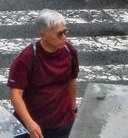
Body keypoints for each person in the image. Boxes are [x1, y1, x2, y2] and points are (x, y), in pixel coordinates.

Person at [8, 10, 79, 138]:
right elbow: (16, 93)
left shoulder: (70, 51)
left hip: (62, 123)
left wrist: (73, 108)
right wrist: (29, 123)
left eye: (65, 32)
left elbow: (72, 80)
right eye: (59, 34)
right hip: (34, 124)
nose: (64, 37)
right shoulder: (27, 57)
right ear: (43, 35)